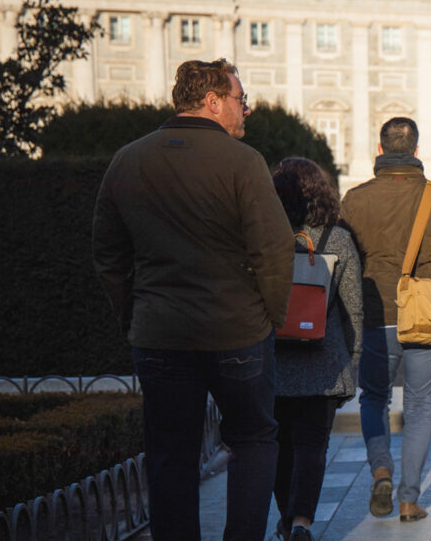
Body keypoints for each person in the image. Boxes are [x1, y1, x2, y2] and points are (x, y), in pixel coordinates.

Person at [92, 58, 292, 541]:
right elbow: (274, 249)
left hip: (160, 335)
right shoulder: (244, 162)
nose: (247, 110)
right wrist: (270, 317)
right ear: (213, 102)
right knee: (254, 439)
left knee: (170, 453)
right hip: (238, 331)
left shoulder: (128, 158)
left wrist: (133, 317)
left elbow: (108, 255)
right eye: (241, 100)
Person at [341, 116, 431, 522]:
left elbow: (345, 261)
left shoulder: (355, 198)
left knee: (375, 398)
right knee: (419, 406)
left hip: (377, 313)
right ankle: (410, 500)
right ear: (416, 151)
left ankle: (381, 468)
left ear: (380, 151)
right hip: (427, 315)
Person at [269, 157, 364, 541]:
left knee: (276, 445)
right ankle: (301, 523)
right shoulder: (337, 238)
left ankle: (286, 515)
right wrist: (351, 363)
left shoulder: (262, 236)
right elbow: (353, 307)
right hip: (322, 363)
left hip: (270, 362)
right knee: (312, 445)